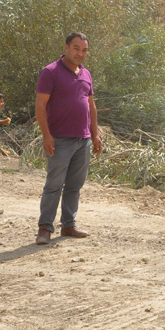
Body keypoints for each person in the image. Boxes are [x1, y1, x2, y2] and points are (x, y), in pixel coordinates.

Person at [35, 32, 103, 245]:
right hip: (60, 139)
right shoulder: (50, 72)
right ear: (65, 48)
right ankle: (45, 228)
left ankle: (68, 225)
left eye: (84, 50)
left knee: (75, 185)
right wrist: (47, 136)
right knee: (54, 184)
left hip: (82, 140)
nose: (80, 53)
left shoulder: (86, 74)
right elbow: (40, 105)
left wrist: (95, 134)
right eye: (76, 48)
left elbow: (91, 106)